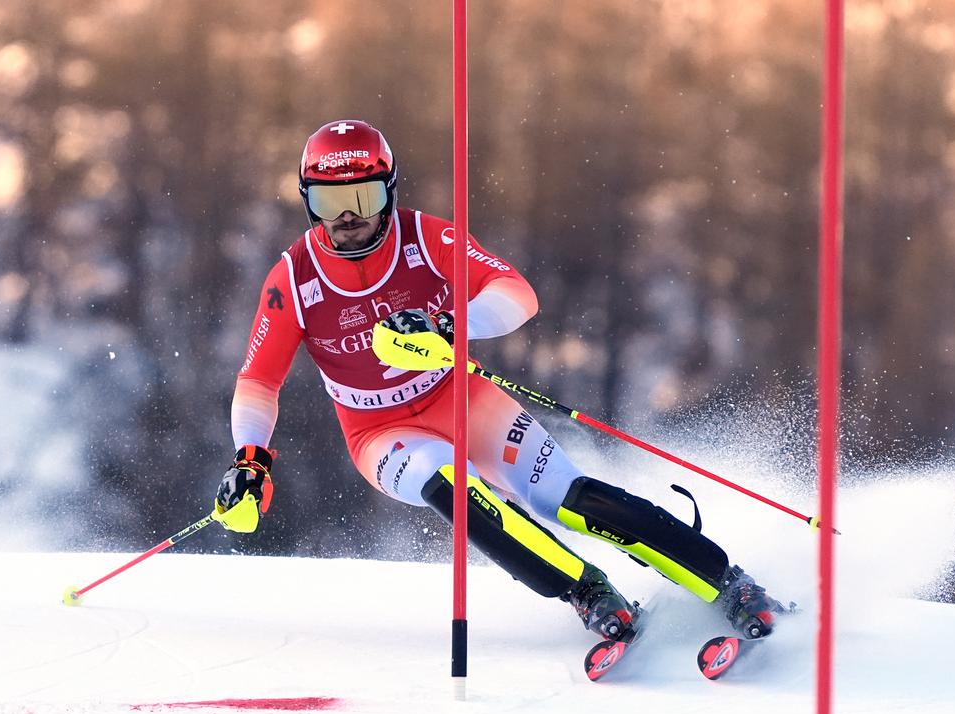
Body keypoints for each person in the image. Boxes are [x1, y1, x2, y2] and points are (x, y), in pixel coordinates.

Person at [213, 119, 784, 646]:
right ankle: (587, 591)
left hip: (460, 398)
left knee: (562, 495)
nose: (348, 216)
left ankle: (729, 584)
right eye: (328, 200)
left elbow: (518, 296)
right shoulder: (293, 278)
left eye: (364, 197)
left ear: (390, 191)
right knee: (451, 483)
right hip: (379, 433)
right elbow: (259, 381)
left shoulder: (425, 240)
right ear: (306, 201)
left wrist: (451, 325)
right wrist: (250, 459)